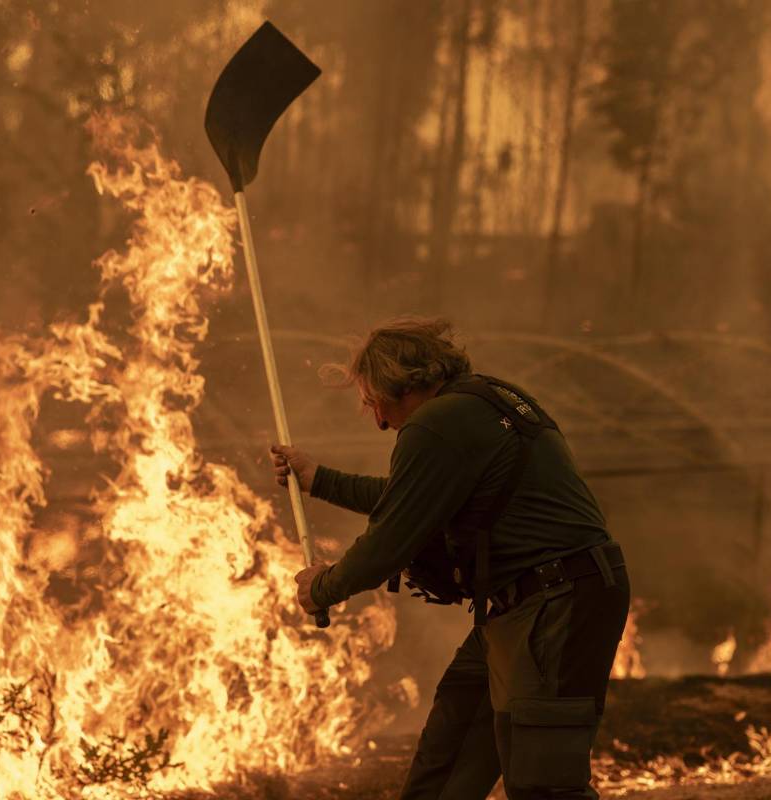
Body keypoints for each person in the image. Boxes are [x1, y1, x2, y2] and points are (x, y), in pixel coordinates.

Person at [270, 317, 630, 800]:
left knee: (545, 782)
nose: (378, 421)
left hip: (556, 603)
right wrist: (317, 478)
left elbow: (389, 543)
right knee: (448, 760)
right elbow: (414, 498)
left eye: (374, 403)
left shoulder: (436, 425)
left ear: (400, 385)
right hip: (522, 603)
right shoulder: (483, 400)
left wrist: (322, 587)